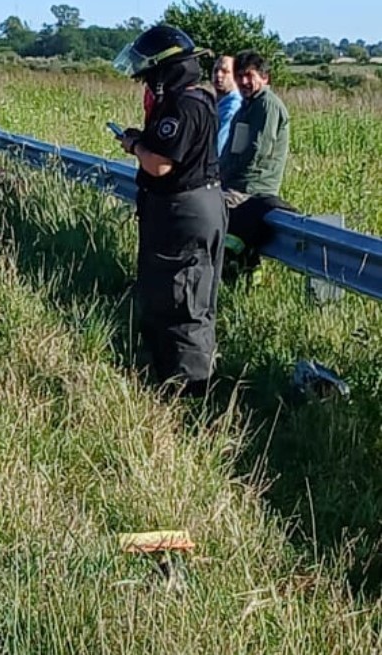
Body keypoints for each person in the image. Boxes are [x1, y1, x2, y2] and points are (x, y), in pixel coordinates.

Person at [113, 25, 227, 397]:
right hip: (184, 208)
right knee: (169, 292)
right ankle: (168, 380)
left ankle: (190, 392)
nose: (146, 83)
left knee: (185, 298)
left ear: (166, 69)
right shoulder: (197, 99)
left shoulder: (184, 105)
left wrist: (132, 145)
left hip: (186, 210)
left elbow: (160, 165)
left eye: (149, 76)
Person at [219, 50, 290, 205]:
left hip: (252, 189)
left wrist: (227, 174)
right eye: (239, 76)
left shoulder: (266, 104)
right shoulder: (247, 105)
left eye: (249, 75)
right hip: (234, 184)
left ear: (264, 77)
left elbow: (257, 151)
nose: (244, 81)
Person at [212, 55, 242, 155]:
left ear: (236, 76)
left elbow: (218, 147)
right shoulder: (217, 103)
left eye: (225, 71)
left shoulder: (232, 107)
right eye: (216, 70)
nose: (218, 75)